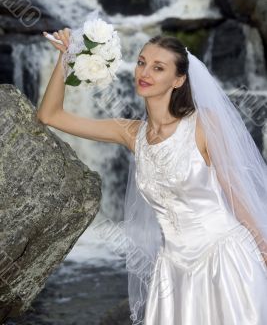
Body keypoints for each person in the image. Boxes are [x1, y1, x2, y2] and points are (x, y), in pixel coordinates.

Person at [38, 29, 267, 325]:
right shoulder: (131, 133)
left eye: (158, 68)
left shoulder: (204, 123)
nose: (144, 73)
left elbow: (234, 190)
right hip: (171, 269)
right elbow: (50, 116)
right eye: (141, 62)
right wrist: (64, 58)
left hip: (224, 258)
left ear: (179, 79)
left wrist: (262, 246)